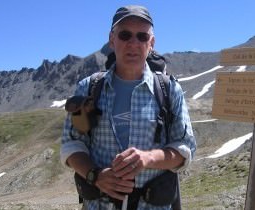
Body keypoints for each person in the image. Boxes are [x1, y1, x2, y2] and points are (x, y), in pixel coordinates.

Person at [60, 5, 196, 210]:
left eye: (142, 36)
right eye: (125, 35)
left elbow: (184, 149)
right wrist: (95, 175)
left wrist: (148, 158)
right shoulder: (89, 88)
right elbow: (71, 145)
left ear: (151, 43)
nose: (133, 43)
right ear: (112, 39)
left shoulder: (169, 90)